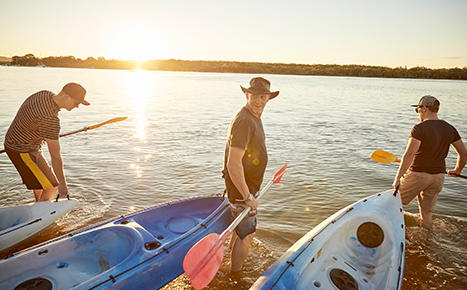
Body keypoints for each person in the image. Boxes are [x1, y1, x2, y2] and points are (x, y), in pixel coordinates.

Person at [222, 77, 279, 277]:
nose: (258, 101)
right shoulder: (245, 120)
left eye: (263, 97)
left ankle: (230, 260)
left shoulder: (252, 117)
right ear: (247, 95)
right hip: (241, 190)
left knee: (239, 230)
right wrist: (247, 196)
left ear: (268, 99)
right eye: (254, 96)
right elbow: (233, 163)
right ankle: (234, 276)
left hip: (245, 187)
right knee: (247, 235)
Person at [4, 83, 90, 202]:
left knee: (42, 180)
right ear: (66, 96)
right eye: (77, 103)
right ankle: (40, 215)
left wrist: (42, 134)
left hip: (18, 141)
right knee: (52, 186)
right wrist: (62, 185)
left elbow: (30, 114)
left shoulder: (45, 94)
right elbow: (55, 156)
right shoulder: (50, 119)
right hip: (21, 149)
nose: (77, 107)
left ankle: (39, 203)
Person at [392, 95, 467, 229]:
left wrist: (398, 178)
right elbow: (464, 153)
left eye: (418, 109)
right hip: (438, 177)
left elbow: (409, 154)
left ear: (425, 108)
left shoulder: (419, 128)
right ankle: (426, 242)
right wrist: (457, 170)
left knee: (392, 202)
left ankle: (390, 234)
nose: (418, 112)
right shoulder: (450, 128)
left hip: (418, 175)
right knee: (426, 213)